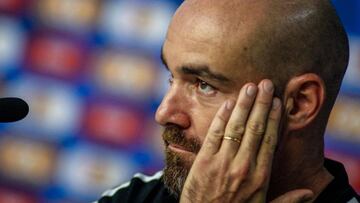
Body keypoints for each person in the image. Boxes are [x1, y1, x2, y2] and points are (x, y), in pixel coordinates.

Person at [97, 0, 360, 202]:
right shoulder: (136, 196)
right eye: (171, 77)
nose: (164, 113)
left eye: (204, 85)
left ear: (300, 103)